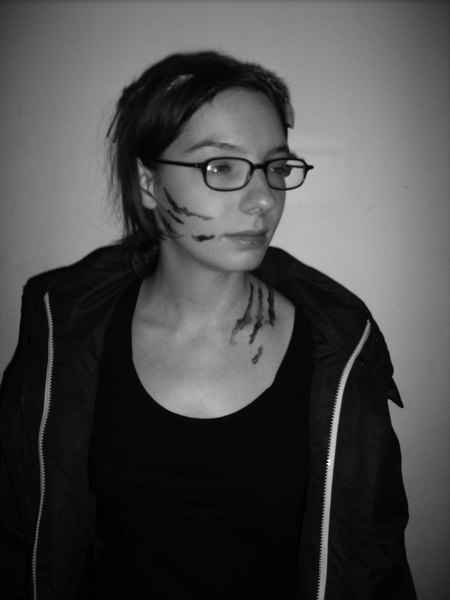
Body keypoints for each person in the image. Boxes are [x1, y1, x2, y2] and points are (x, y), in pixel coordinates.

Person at [0, 50, 416, 600]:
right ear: (148, 184)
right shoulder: (64, 338)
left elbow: (372, 561)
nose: (264, 199)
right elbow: (19, 530)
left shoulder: (339, 354)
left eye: (275, 167)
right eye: (220, 167)